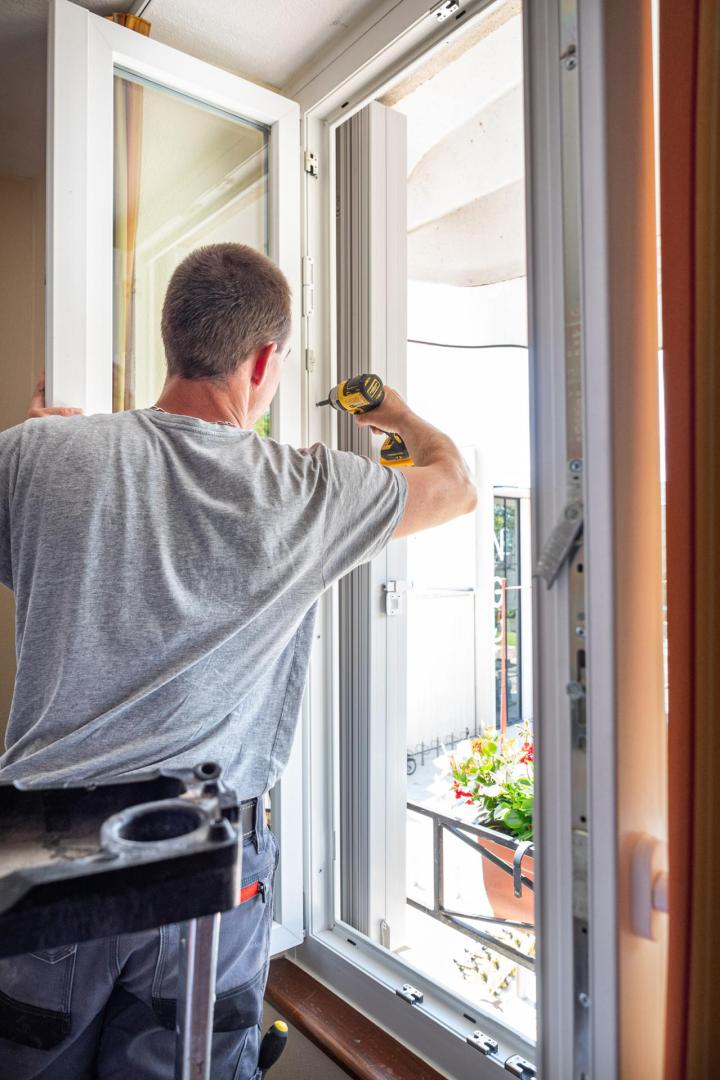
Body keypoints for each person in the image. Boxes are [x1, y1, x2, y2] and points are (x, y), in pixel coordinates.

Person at [0, 243, 476, 1079]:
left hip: (47, 845)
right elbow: (455, 483)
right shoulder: (312, 490)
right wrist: (394, 415)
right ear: (263, 360)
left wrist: (38, 463)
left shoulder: (37, 457)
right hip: (199, 848)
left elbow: (45, 555)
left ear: (171, 339)